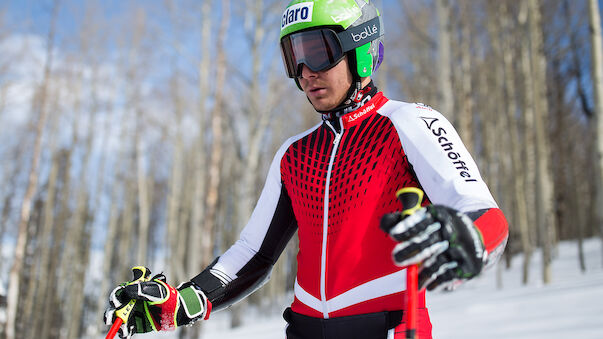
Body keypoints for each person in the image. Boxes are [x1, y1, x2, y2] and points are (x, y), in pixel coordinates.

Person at [104, 1, 509, 338]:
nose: (305, 71)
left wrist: (468, 236)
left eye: (317, 52)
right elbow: (254, 252)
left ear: (361, 50)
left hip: (386, 328)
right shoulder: (294, 155)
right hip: (303, 330)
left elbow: (480, 209)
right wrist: (184, 301)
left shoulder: (409, 123)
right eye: (293, 58)